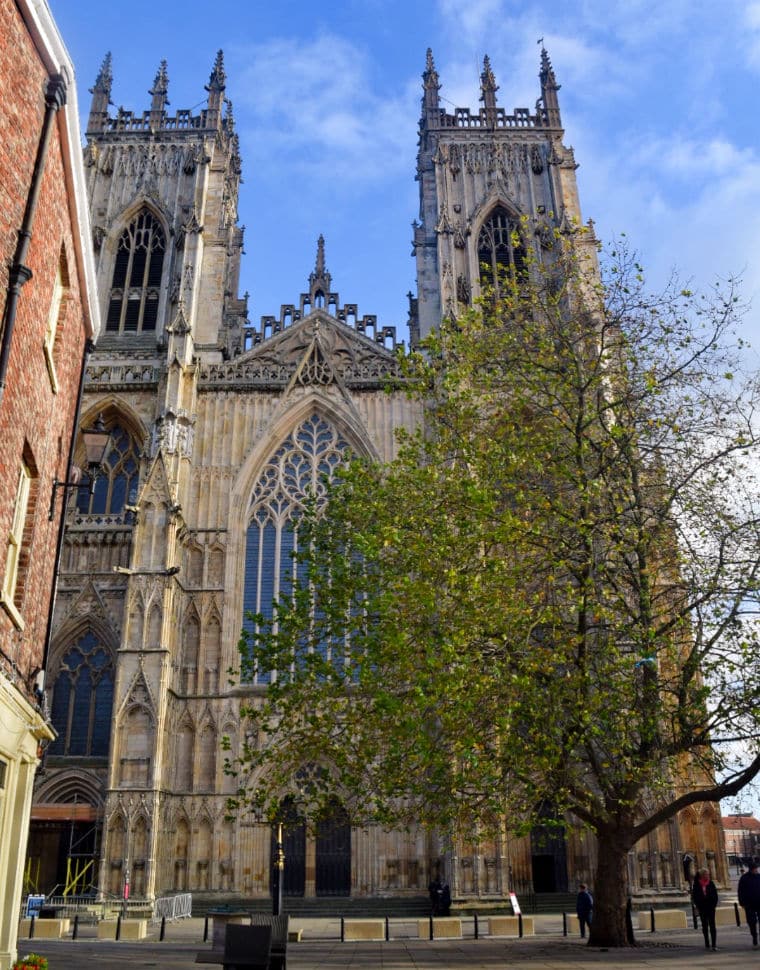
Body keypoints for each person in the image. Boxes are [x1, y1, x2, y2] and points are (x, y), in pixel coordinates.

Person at [691, 867, 718, 950]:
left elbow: (715, 895)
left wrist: (713, 904)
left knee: (712, 926)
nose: (708, 876)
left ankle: (714, 944)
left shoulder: (711, 883)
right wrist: (698, 905)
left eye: (708, 874)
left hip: (710, 907)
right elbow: (695, 896)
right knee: (705, 926)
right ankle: (707, 942)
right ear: (702, 875)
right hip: (702, 908)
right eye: (706, 874)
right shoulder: (697, 884)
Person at [738, 860, 760, 946]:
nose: (756, 870)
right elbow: (740, 891)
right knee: (752, 922)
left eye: (756, 868)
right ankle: (754, 936)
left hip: (759, 903)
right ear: (751, 869)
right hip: (749, 904)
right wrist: (742, 902)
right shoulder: (744, 878)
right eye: (755, 869)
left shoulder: (759, 877)